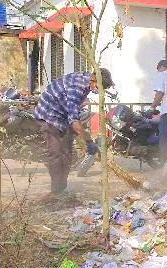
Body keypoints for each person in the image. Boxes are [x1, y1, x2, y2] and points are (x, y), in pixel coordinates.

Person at [33, 68, 110, 198]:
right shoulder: (77, 88)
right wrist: (89, 141)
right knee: (57, 153)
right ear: (93, 80)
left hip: (62, 115)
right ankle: (56, 192)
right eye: (99, 87)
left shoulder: (86, 80)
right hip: (48, 115)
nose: (99, 91)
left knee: (67, 153)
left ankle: (62, 187)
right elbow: (75, 123)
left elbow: (72, 108)